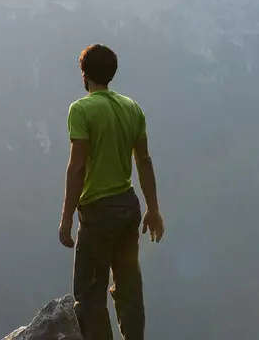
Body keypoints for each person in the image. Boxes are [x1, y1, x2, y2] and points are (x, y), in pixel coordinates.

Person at [58, 44, 163, 340]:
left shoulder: (81, 110)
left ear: (84, 74)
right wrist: (153, 209)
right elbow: (144, 160)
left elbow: (76, 167)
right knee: (129, 287)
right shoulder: (132, 108)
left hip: (98, 212)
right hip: (129, 208)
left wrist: (66, 218)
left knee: (90, 297)